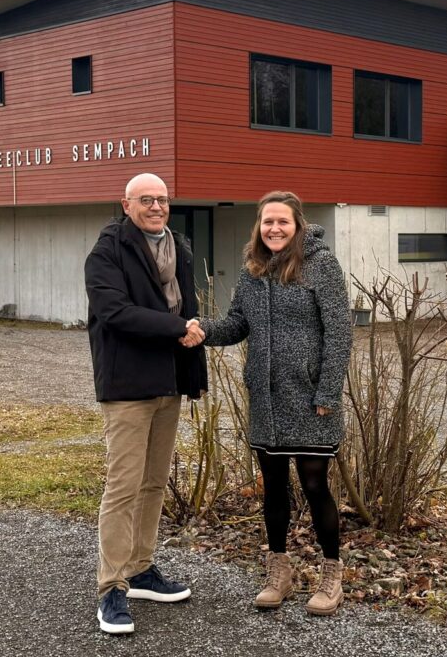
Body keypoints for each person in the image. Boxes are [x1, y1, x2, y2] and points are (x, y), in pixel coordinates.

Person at [184, 191, 351, 615]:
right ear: (258, 227)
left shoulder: (321, 265)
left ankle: (332, 576)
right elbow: (239, 323)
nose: (274, 229)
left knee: (315, 486)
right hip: (268, 400)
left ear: (297, 225)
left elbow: (339, 333)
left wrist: (328, 391)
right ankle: (279, 573)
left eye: (282, 222)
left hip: (312, 399)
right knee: (274, 487)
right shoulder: (252, 270)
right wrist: (200, 328)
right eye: (267, 222)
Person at [84, 173, 207, 635]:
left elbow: (184, 307)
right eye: (146, 200)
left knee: (154, 482)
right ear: (126, 204)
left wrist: (191, 332)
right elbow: (114, 312)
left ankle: (140, 569)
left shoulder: (180, 247)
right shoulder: (107, 251)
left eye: (162, 199)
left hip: (169, 380)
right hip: (128, 385)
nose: (156, 207)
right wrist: (177, 328)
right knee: (123, 486)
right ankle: (110, 589)